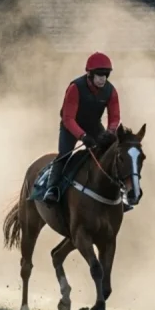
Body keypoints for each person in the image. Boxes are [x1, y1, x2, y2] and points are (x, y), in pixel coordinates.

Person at [43, 52, 120, 204]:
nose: (102, 79)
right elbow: (68, 119)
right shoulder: (75, 88)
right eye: (99, 75)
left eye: (105, 75)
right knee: (64, 155)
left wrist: (110, 133)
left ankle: (117, 191)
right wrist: (83, 136)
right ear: (90, 74)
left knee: (110, 153)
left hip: (93, 126)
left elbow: (115, 118)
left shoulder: (111, 91)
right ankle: (51, 189)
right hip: (71, 127)